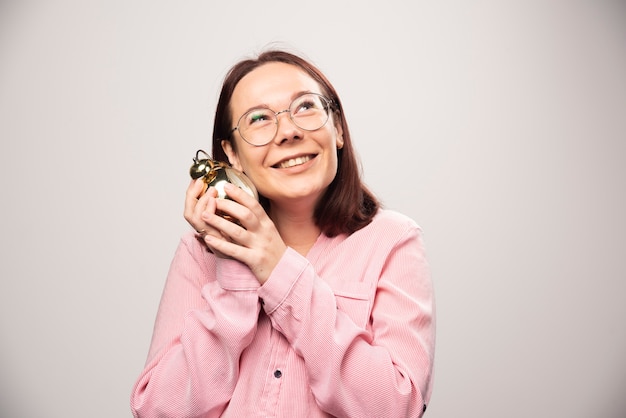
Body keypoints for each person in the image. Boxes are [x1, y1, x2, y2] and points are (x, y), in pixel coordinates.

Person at [130, 49, 436, 418]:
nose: (288, 132)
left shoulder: (393, 240)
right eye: (258, 118)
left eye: (305, 108)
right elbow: (159, 410)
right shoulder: (200, 254)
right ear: (232, 155)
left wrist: (276, 266)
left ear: (336, 128)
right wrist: (235, 263)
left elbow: (395, 406)